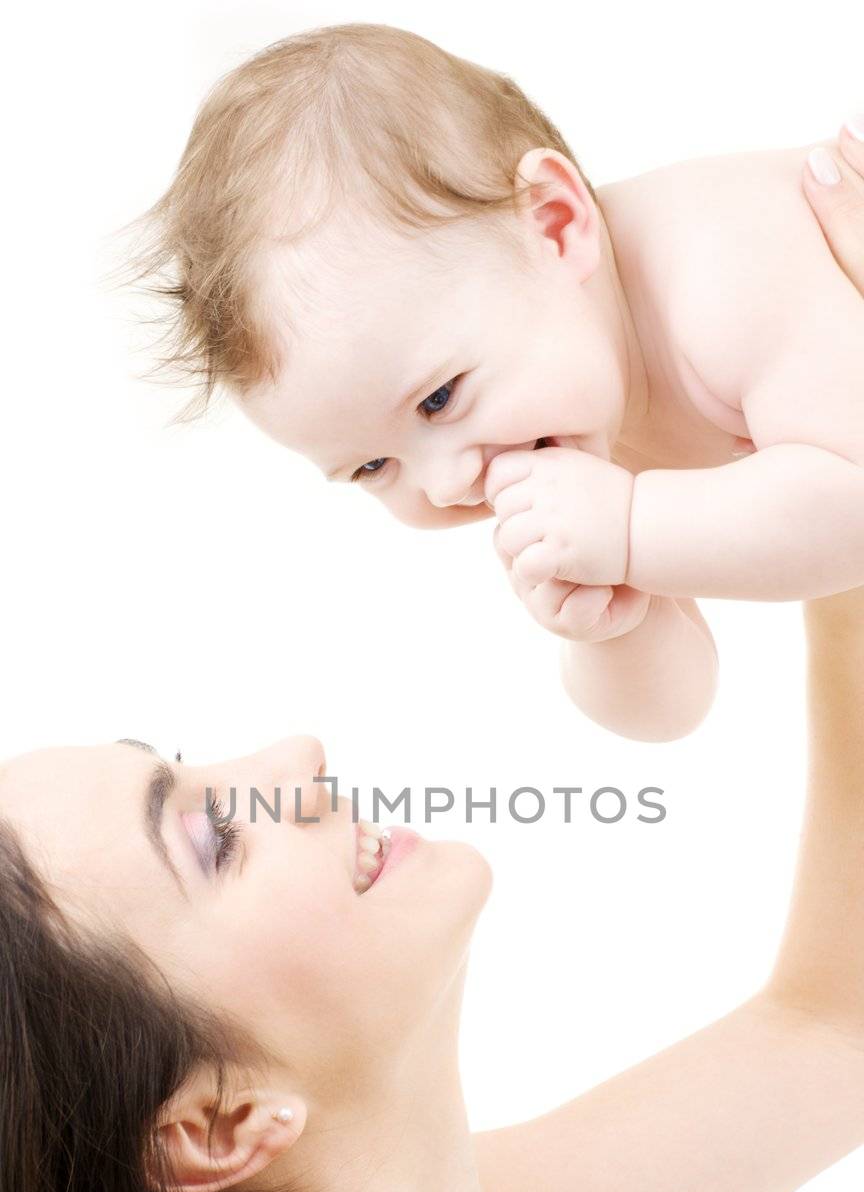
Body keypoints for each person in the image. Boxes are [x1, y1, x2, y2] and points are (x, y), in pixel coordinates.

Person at [0, 136, 861, 1192]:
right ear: (213, 1125)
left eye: (198, 769)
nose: (294, 754)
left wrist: (826, 417)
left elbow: (841, 1023)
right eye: (212, 836)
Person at [123, 23, 864, 741]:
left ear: (552, 223)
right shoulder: (579, 396)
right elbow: (676, 709)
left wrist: (633, 530)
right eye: (374, 467)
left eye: (439, 398)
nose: (447, 484)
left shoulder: (722, 271)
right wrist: (609, 624)